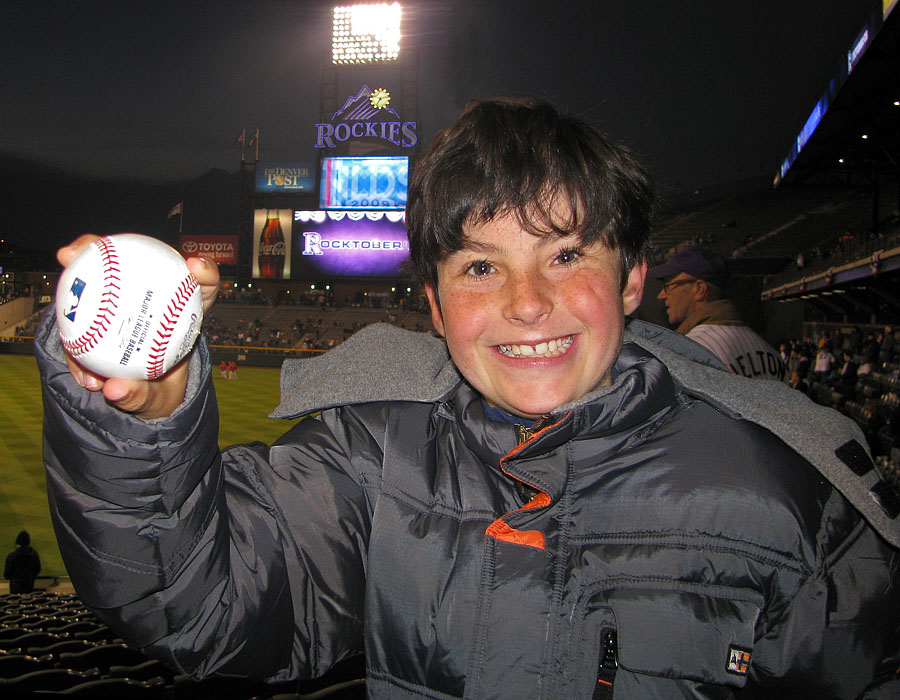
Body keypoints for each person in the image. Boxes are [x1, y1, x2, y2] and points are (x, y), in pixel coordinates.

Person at [36, 98, 899, 698]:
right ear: (438, 303)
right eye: (481, 266)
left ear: (633, 277)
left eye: (565, 255)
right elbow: (198, 606)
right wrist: (139, 422)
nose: (526, 303)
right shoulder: (371, 460)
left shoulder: (789, 504)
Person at [648, 246, 787, 381]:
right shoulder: (771, 353)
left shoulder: (688, 351)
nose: (661, 295)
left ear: (700, 290)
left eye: (669, 287)